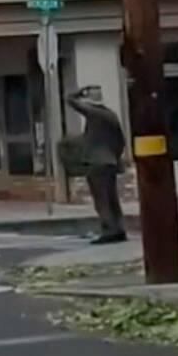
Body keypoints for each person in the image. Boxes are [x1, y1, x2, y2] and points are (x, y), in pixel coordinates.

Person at [66, 85, 128, 245]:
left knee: (101, 199)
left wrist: (79, 92)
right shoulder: (111, 115)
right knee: (112, 198)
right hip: (110, 162)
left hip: (96, 163)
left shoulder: (94, 114)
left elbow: (70, 100)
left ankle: (109, 230)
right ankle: (119, 229)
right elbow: (120, 141)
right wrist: (114, 156)